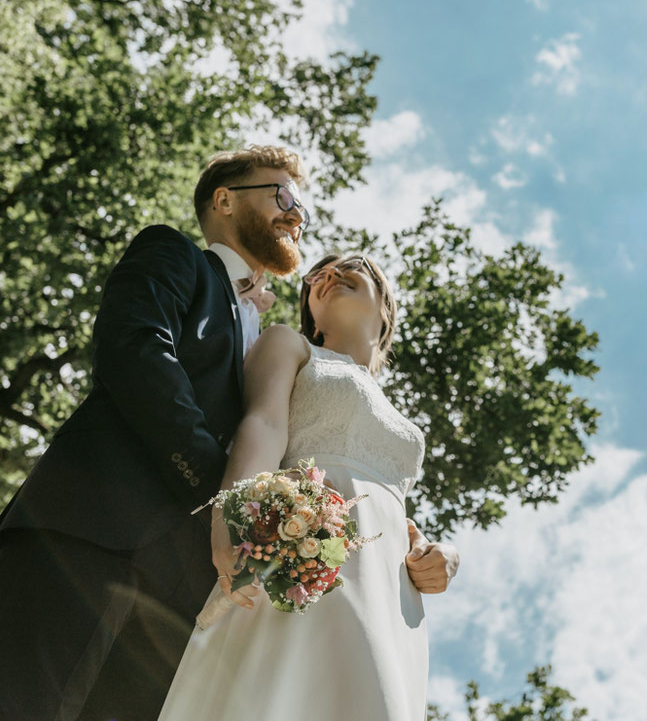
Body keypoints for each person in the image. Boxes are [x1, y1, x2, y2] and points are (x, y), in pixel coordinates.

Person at [0, 145, 309, 720]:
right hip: (85, 534)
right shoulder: (174, 254)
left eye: (301, 208)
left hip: (179, 603)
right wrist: (220, 493)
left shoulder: (275, 343)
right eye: (282, 195)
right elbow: (135, 352)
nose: (295, 214)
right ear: (224, 199)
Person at [158, 251, 459, 720]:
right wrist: (230, 515)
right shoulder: (293, 346)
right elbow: (262, 425)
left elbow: (393, 507)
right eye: (318, 275)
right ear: (310, 313)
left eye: (352, 265)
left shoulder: (396, 414)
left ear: (385, 307)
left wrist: (442, 554)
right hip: (304, 555)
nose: (332, 274)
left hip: (394, 592)